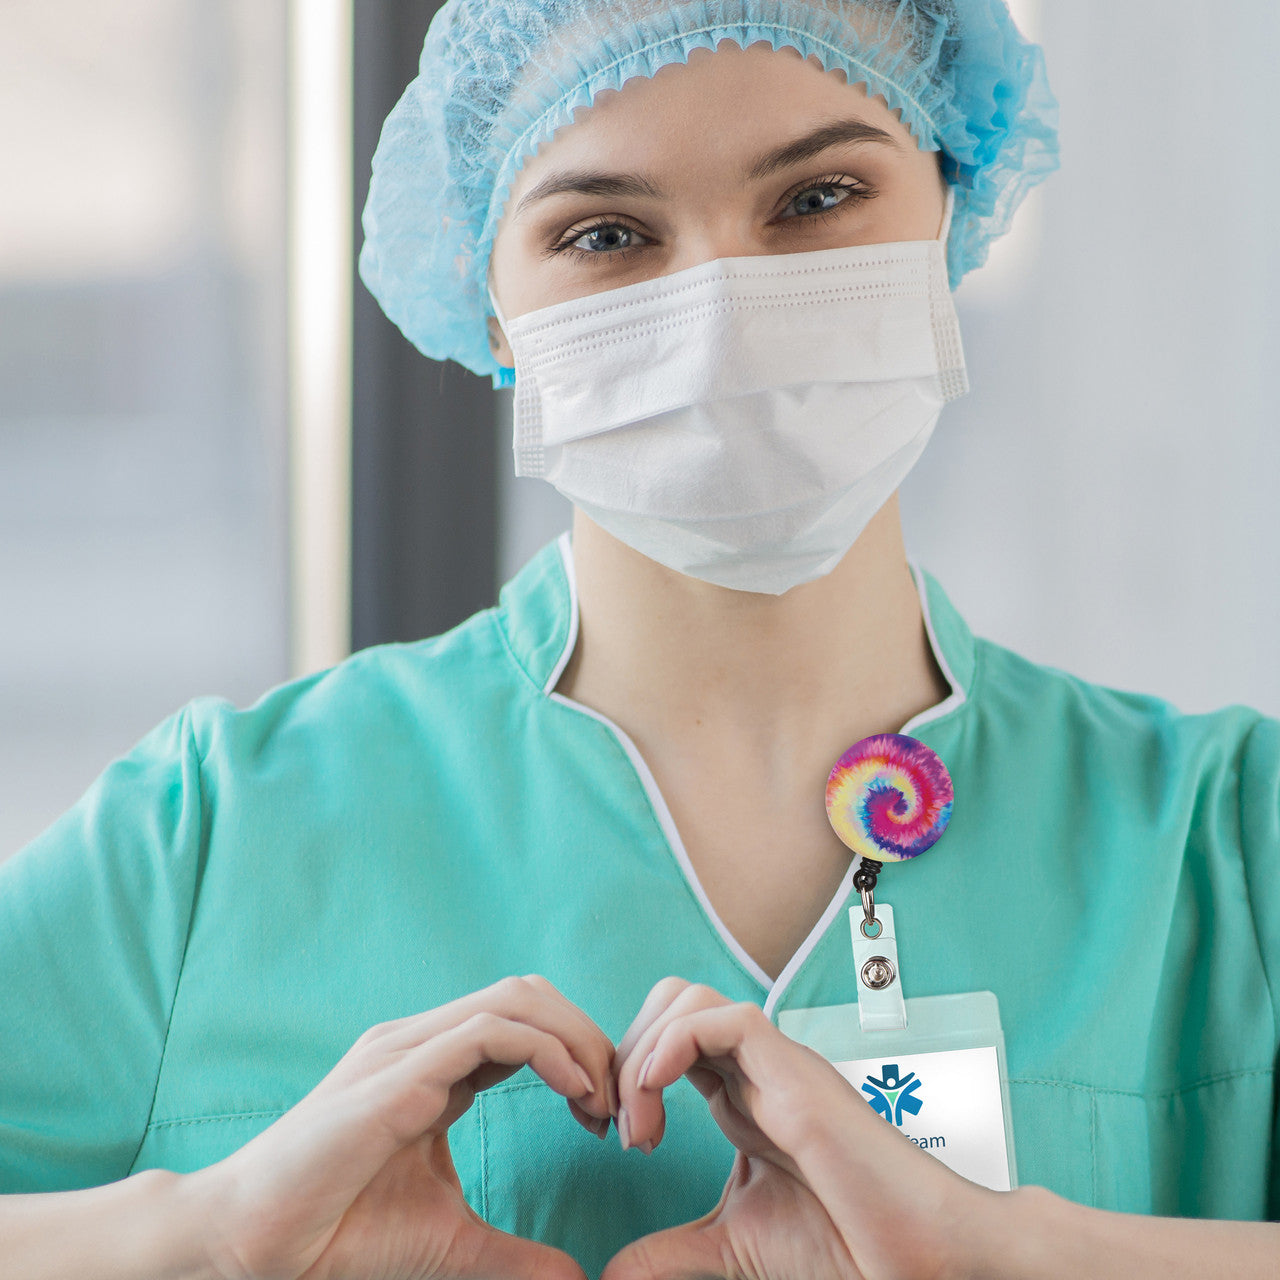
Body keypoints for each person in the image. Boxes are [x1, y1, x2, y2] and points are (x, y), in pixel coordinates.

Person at [1, 1, 1278, 1277]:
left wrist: (1012, 1254)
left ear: (949, 208)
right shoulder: (211, 840)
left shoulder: (1223, 847)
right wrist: (210, 1241)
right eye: (605, 233)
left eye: (817, 195)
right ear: (490, 307)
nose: (720, 310)